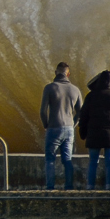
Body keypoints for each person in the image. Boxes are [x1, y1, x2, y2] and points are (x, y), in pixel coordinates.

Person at [79, 70, 110, 190]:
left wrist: (83, 133)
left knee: (93, 162)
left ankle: (90, 187)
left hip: (94, 134)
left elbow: (83, 117)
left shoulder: (90, 96)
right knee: (109, 162)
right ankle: (109, 188)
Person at [40, 62, 82, 190]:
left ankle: (50, 188)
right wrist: (73, 124)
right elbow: (81, 112)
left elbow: (43, 111)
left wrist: (46, 125)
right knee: (67, 159)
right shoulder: (75, 90)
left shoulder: (50, 87)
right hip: (69, 129)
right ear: (68, 74)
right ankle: (68, 187)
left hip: (53, 127)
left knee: (50, 159)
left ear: (55, 73)